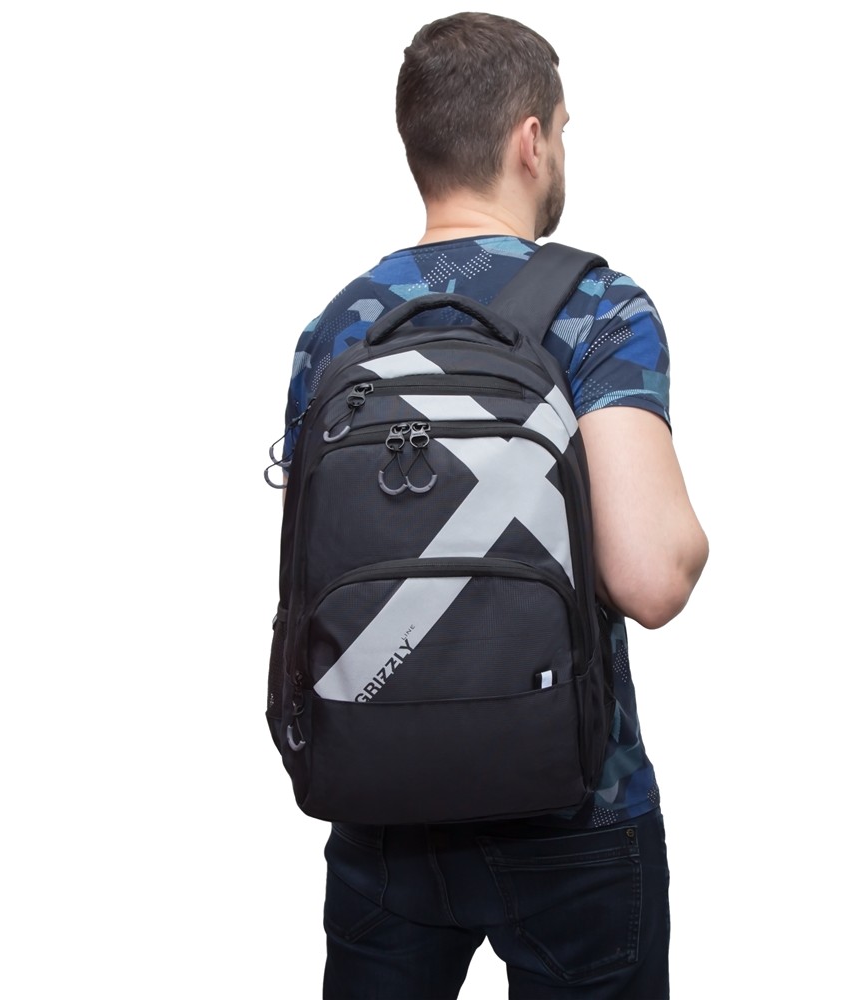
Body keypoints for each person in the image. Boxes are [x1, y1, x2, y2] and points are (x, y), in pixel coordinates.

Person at [279, 12, 708, 999]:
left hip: (381, 809)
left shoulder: (338, 328)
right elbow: (650, 578)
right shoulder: (597, 308)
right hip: (577, 815)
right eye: (563, 130)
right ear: (530, 139)